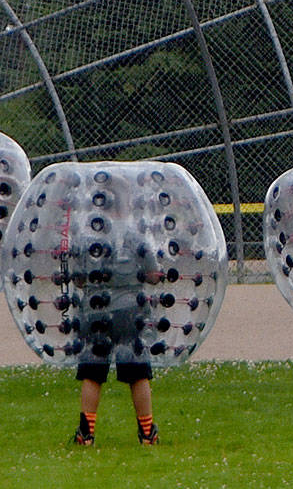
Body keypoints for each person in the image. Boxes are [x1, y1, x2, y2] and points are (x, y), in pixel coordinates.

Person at [72, 181, 161, 446]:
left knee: (92, 371)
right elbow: (154, 274)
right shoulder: (135, 236)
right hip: (129, 310)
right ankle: (147, 432)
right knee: (137, 370)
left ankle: (86, 433)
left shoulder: (87, 237)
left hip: (94, 309)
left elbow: (78, 279)